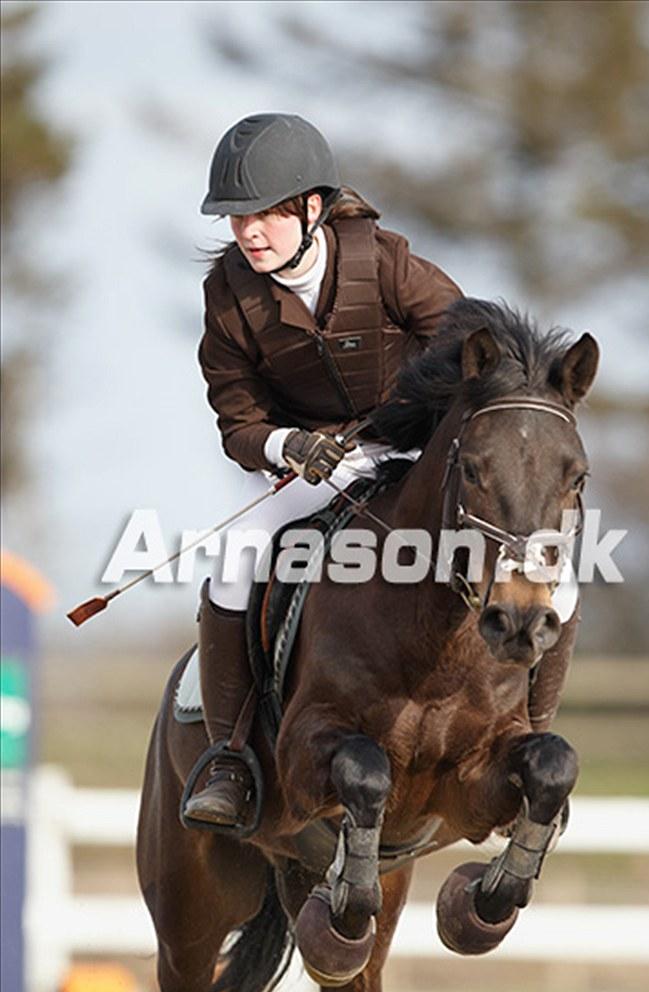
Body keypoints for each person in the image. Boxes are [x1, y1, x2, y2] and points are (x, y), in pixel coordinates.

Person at [183, 113, 463, 827]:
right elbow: (238, 422)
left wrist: (414, 422)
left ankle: (526, 716)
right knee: (235, 555)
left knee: (528, 544)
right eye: (237, 217)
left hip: (407, 452)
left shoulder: (384, 260)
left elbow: (466, 341)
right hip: (308, 467)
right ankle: (230, 757)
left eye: (266, 214)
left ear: (312, 208)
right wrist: (290, 446)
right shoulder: (230, 298)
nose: (248, 232)